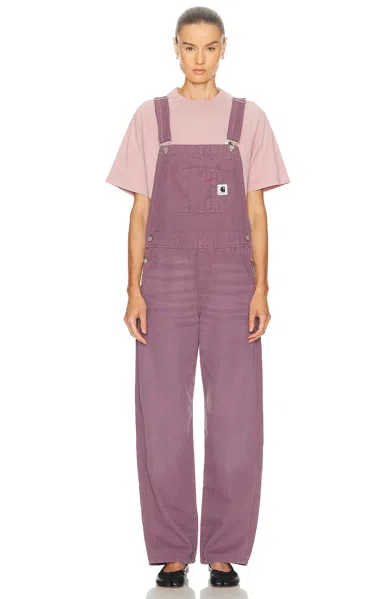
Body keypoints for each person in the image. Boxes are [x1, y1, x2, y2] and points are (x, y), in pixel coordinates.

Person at [105, 6, 290, 589]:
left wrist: (262, 287)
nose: (200, 59)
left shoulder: (248, 118)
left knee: (236, 416)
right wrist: (132, 289)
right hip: (164, 279)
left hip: (234, 278)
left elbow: (257, 212)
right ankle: (172, 548)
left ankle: (224, 550)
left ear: (224, 48)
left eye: (210, 47)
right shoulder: (150, 117)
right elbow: (139, 213)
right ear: (176, 48)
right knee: (161, 414)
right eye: (190, 47)